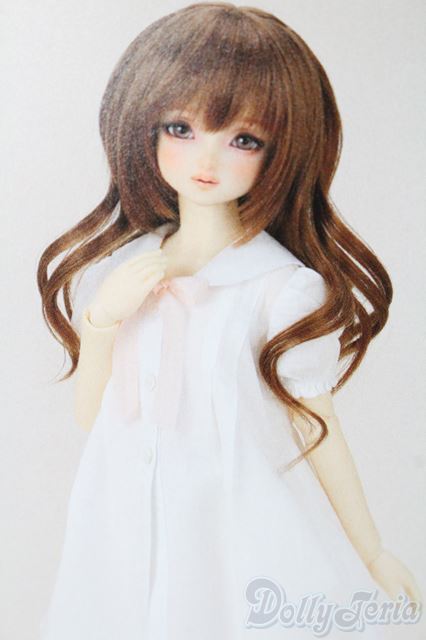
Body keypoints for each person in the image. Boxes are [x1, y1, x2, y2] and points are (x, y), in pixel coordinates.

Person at [37, 3, 422, 638]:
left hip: (232, 528)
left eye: (243, 140)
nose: (206, 159)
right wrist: (102, 325)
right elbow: (92, 419)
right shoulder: (126, 271)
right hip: (123, 517)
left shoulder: (280, 290)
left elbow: (319, 427)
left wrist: (372, 550)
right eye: (181, 128)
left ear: (283, 151)